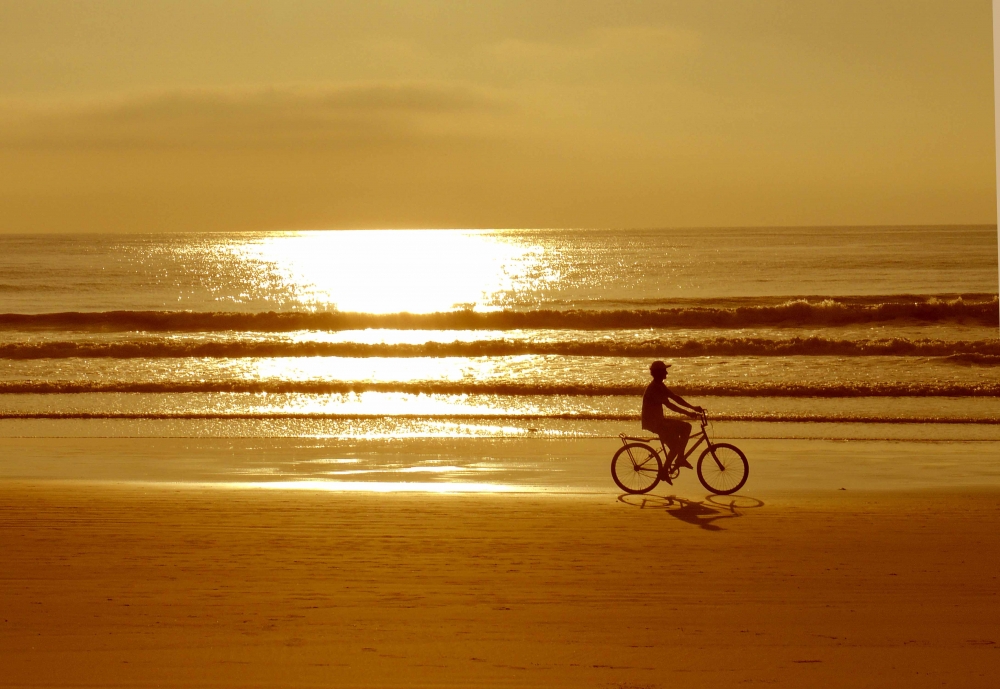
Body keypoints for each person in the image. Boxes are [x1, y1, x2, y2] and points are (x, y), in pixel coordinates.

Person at [641, 360, 704, 482]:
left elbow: (675, 397)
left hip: (659, 420)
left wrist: (693, 408)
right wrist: (688, 413)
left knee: (685, 428)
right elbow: (670, 405)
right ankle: (666, 469)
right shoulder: (654, 387)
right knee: (676, 444)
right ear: (659, 373)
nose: (666, 373)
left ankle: (679, 459)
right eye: (664, 370)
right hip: (654, 423)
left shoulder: (659, 385)